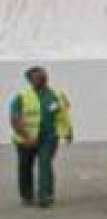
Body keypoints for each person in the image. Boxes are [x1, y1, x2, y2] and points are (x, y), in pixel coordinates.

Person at [10, 66, 72, 208]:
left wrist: (68, 131)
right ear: (30, 80)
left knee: (45, 164)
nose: (43, 79)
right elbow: (14, 120)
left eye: (44, 76)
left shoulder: (57, 94)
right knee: (25, 167)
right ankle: (27, 195)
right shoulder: (21, 97)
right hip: (25, 140)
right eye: (38, 77)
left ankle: (45, 196)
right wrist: (26, 137)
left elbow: (63, 114)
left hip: (48, 138)